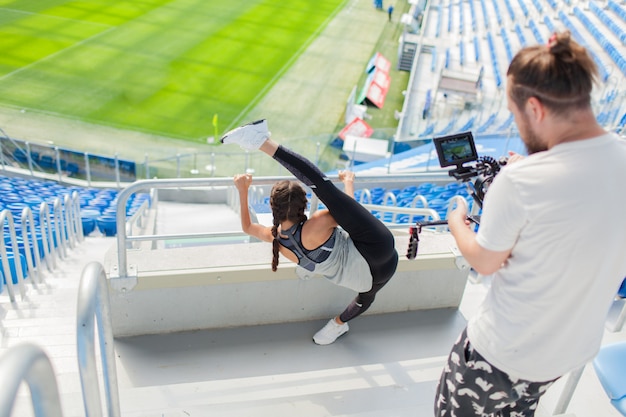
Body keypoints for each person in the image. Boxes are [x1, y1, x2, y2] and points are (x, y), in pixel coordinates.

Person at [435, 31, 626, 416]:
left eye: (515, 112)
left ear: (535, 108)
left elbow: (485, 262)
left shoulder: (521, 182)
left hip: (500, 356)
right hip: (567, 353)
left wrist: (458, 222)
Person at [221, 119, 399, 345]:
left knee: (365, 299)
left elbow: (247, 227)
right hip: (378, 248)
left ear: (272, 206)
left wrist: (242, 190)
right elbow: (351, 211)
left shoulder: (276, 239)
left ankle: (336, 325)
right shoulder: (319, 222)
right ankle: (260, 141)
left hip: (371, 280)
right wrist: (348, 184)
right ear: (303, 206)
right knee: (323, 187)